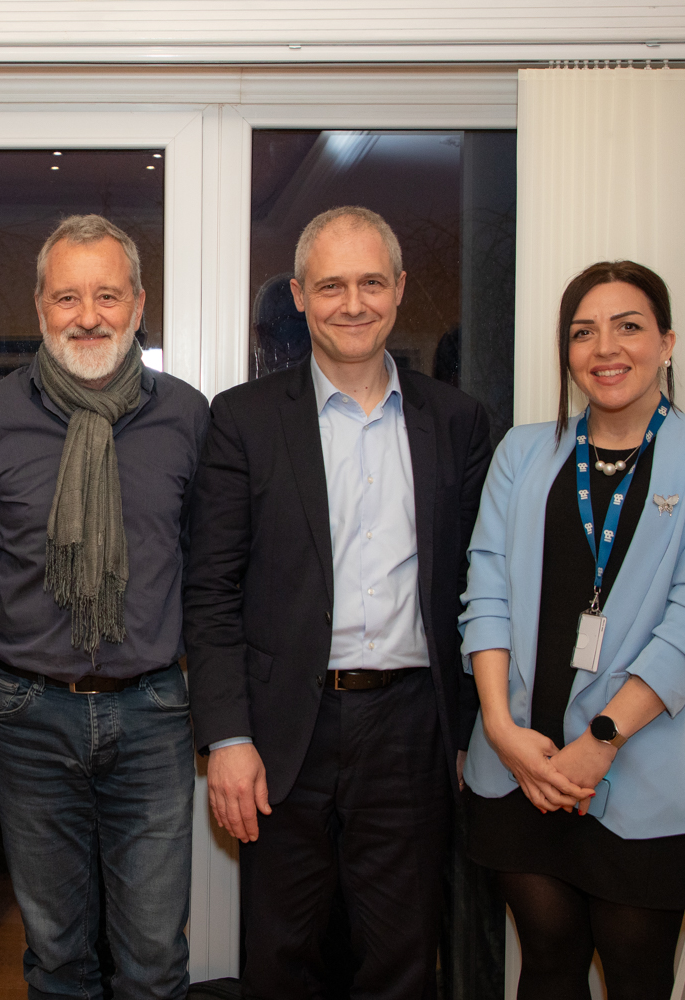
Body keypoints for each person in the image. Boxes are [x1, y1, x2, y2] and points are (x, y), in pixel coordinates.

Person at [185, 205, 493, 998]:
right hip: (285, 730)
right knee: (281, 960)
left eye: (370, 283)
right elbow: (211, 592)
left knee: (400, 959)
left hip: (410, 728)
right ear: (299, 295)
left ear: (399, 288)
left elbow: (476, 589)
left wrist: (471, 730)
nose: (352, 304)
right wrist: (227, 736)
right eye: (331, 286)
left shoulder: (456, 422)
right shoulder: (244, 420)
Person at [459, 261, 685, 999]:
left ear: (666, 343)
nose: (605, 348)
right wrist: (499, 728)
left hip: (637, 775)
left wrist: (599, 743)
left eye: (628, 327)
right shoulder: (523, 452)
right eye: (583, 332)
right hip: (518, 769)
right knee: (547, 971)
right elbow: (486, 591)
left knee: (637, 980)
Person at [0, 214, 209, 999]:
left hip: (154, 711)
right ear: (40, 308)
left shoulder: (188, 417)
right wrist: (28, 640)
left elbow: (202, 563)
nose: (88, 315)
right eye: (67, 297)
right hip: (29, 715)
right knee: (57, 957)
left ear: (138, 304)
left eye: (107, 295)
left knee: (155, 959)